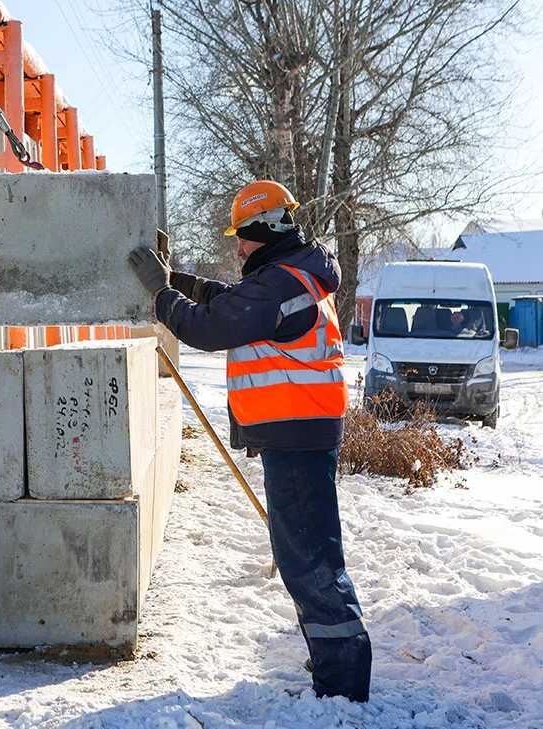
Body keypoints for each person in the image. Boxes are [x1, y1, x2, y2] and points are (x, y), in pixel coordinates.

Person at [128, 180, 372, 702]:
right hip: (300, 436)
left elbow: (211, 327)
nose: (237, 247)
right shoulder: (291, 276)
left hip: (298, 440)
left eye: (242, 236)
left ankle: (343, 684)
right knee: (304, 556)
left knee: (311, 562)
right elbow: (233, 303)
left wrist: (160, 294)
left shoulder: (282, 283)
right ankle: (335, 668)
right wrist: (181, 282)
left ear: (264, 231)